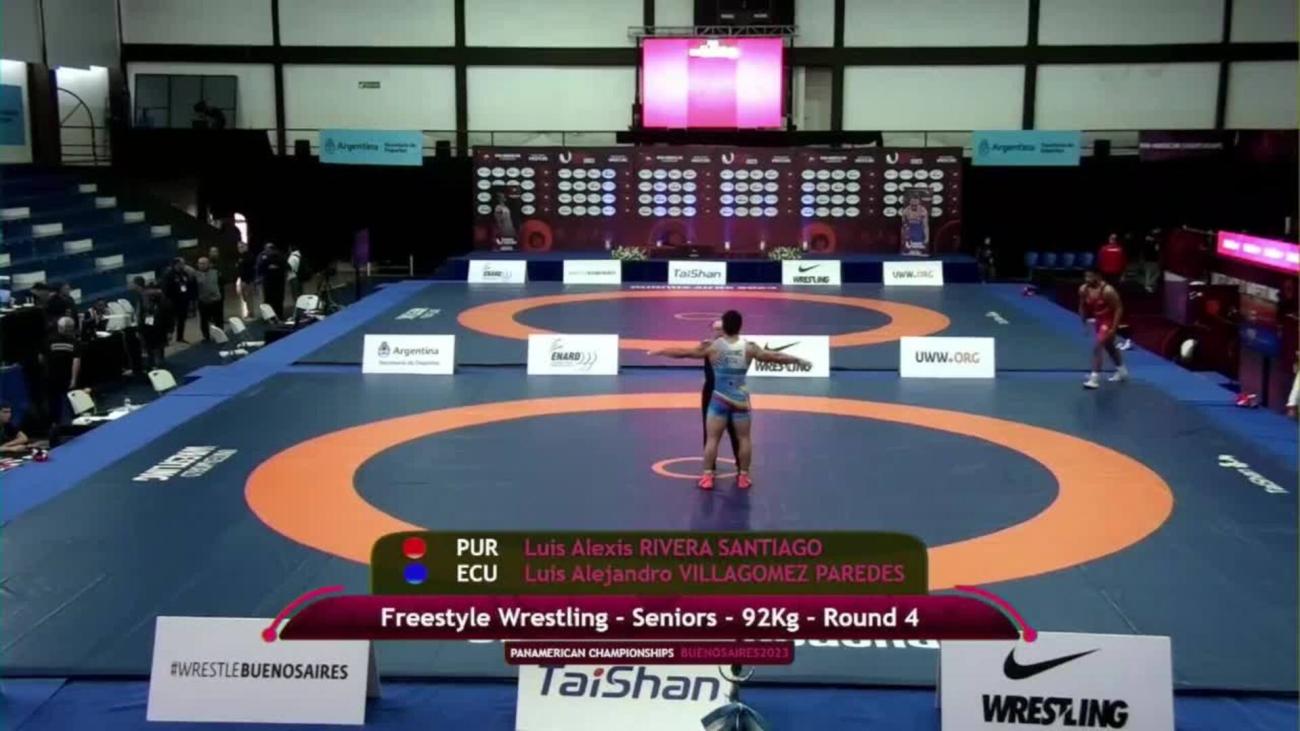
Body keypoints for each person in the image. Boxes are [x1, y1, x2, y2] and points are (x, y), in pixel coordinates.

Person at [650, 310, 811, 490]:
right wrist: (798, 360)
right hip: (740, 399)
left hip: (719, 398)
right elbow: (775, 357)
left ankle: (708, 477)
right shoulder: (749, 347)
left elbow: (683, 353)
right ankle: (743, 476)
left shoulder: (713, 347)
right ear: (740, 327)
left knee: (712, 439)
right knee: (744, 439)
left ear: (724, 327)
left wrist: (661, 351)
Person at [1079, 269, 1127, 389]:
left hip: (1108, 321)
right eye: (1086, 277)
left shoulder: (1108, 291)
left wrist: (1114, 328)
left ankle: (1094, 379)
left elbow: (1119, 308)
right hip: (1098, 321)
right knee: (1109, 347)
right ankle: (1122, 371)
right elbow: (1082, 305)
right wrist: (1084, 322)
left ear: (1098, 276)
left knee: (1098, 346)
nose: (1087, 280)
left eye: (1090, 277)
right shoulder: (1083, 289)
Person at [702, 319, 740, 461]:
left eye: (721, 329)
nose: (718, 332)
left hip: (731, 393)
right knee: (709, 432)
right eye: (716, 329)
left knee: (735, 430)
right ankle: (709, 467)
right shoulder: (707, 346)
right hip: (711, 392)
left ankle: (741, 466)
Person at [43, 317, 81, 426]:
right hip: (66, 377)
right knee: (71, 401)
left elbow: (41, 358)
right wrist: (73, 379)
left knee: (54, 403)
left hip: (51, 377)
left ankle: (55, 425)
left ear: (59, 327)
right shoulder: (74, 343)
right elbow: (76, 362)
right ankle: (74, 423)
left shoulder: (49, 340)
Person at [194, 257, 223, 342]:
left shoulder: (216, 272)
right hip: (203, 301)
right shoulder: (195, 275)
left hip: (216, 300)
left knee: (218, 319)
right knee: (204, 320)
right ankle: (206, 336)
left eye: (204, 263)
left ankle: (220, 334)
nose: (202, 265)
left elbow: (222, 284)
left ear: (208, 264)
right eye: (200, 263)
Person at [258, 243, 288, 319]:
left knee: (268, 299)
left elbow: (259, 267)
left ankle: (270, 316)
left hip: (268, 280)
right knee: (279, 298)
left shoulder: (262, 255)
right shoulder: (280, 254)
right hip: (279, 280)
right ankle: (279, 315)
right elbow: (285, 266)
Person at [899, 190, 930, 256]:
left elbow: (926, 225)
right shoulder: (905, 211)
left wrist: (927, 238)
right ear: (910, 202)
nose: (914, 206)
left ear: (919, 202)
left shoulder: (923, 211)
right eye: (912, 204)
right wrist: (903, 238)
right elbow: (903, 226)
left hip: (919, 234)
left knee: (921, 250)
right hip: (909, 234)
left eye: (916, 204)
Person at [235, 241, 258, 320]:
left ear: (246, 247)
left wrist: (248, 281)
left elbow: (250, 269)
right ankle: (249, 311)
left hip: (248, 280)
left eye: (241, 247)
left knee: (249, 297)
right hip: (242, 280)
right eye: (238, 247)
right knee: (245, 297)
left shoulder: (249, 256)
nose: (240, 249)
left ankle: (251, 313)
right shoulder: (240, 257)